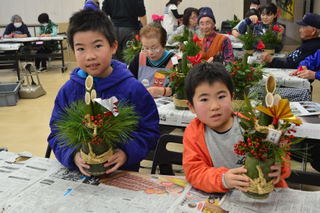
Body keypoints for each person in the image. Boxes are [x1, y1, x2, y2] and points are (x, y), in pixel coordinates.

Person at [47, 9, 160, 176]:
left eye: (98, 46)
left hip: (122, 174)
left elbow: (149, 131)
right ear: (73, 50)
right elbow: (57, 133)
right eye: (81, 49)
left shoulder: (132, 89)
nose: (90, 56)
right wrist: (73, 155)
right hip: (80, 176)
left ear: (113, 46)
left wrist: (126, 153)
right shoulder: (68, 91)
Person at [182, 62, 290, 193]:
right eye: (204, 99)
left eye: (221, 97)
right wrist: (222, 179)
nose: (215, 106)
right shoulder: (193, 133)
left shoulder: (251, 125)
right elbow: (194, 171)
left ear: (232, 97)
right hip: (228, 195)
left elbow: (280, 148)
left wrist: (280, 166)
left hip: (265, 192)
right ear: (191, 106)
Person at [128, 23, 178, 98]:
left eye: (154, 48)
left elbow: (179, 88)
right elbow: (128, 80)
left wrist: (163, 91)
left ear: (163, 44)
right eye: (146, 48)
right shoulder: (140, 58)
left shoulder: (175, 61)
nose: (150, 53)